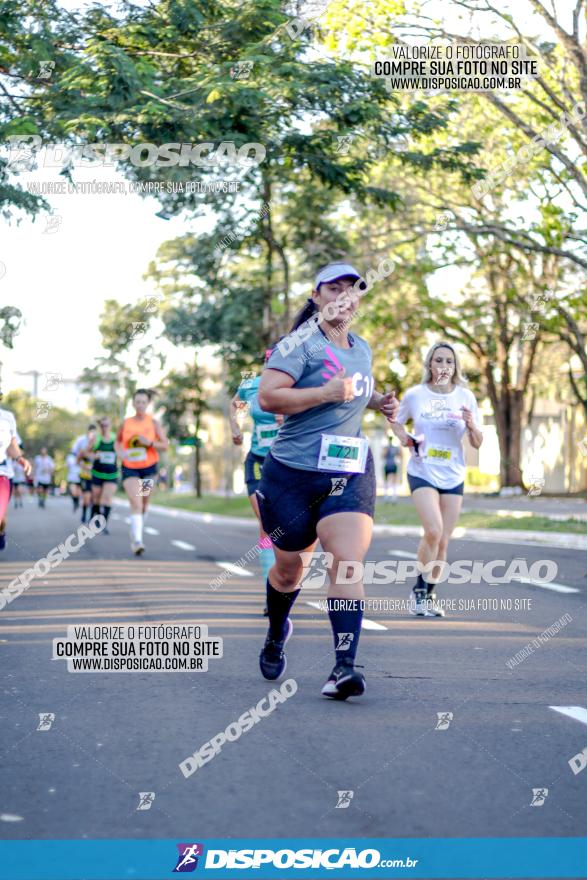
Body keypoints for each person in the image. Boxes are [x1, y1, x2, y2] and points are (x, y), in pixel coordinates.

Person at [255, 262, 399, 700]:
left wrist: (379, 402)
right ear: (316, 296)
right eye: (332, 288)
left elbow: (353, 387)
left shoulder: (362, 348)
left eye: (351, 289)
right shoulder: (297, 345)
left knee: (347, 559)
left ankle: (343, 667)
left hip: (347, 469)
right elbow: (268, 397)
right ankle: (278, 630)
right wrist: (325, 394)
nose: (343, 296)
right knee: (288, 569)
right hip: (292, 475)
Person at [391, 341, 483, 617]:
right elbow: (396, 420)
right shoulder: (415, 394)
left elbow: (477, 442)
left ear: (455, 367)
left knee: (443, 541)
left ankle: (429, 595)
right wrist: (404, 438)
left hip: (453, 473)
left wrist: (470, 424)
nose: (444, 366)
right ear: (429, 364)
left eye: (449, 362)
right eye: (439, 360)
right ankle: (418, 591)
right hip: (423, 470)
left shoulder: (466, 398)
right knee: (433, 530)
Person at [230, 352, 283, 616]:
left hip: (286, 464)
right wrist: (236, 429)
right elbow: (236, 404)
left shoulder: (295, 384)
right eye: (270, 361)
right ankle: (269, 592)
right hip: (258, 461)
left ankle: (284, 578)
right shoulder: (251, 385)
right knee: (266, 526)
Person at [116, 388, 168, 555]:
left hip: (148, 469)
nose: (140, 405)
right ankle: (137, 541)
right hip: (130, 468)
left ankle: (136, 527)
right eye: (137, 402)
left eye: (143, 402)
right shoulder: (126, 423)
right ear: (133, 403)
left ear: (147, 404)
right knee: (136, 501)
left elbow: (165, 445)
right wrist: (120, 453)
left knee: (144, 503)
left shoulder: (153, 423)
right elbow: (117, 442)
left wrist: (150, 443)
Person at [0, 404, 31, 548]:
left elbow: (13, 444)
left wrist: (20, 459)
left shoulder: (7, 417)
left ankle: (1, 532)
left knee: (1, 518)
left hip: (3, 473)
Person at [89, 416, 119, 534]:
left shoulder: (115, 438)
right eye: (102, 425)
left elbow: (121, 453)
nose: (104, 427)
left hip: (111, 473)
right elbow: (86, 452)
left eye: (106, 425)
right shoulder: (96, 438)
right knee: (96, 497)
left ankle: (103, 524)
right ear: (99, 426)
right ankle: (95, 518)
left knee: (107, 498)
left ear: (110, 425)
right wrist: (93, 456)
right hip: (97, 472)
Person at [74, 424, 97, 524]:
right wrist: (85, 466)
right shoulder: (83, 448)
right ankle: (84, 514)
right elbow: (77, 461)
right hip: (85, 476)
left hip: (97, 476)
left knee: (95, 499)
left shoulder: (99, 448)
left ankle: (92, 517)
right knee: (87, 499)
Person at [382, 436, 400, 502]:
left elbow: (383, 456)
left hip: (390, 465)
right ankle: (388, 496)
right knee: (388, 480)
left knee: (391, 481)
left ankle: (392, 496)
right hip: (390, 465)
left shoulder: (393, 448)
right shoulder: (389, 448)